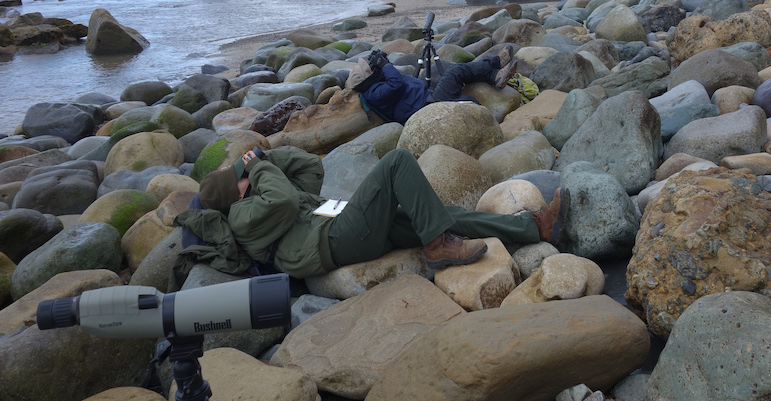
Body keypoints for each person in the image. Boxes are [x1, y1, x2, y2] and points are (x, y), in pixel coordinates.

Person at [192, 147, 568, 279]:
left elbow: (310, 168)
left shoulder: (261, 198)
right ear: (233, 195)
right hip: (336, 242)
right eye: (241, 179)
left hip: (341, 226)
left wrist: (266, 158)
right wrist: (256, 168)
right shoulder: (242, 219)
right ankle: (439, 247)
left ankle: (533, 227)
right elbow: (287, 202)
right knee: (397, 161)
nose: (249, 177)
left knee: (438, 212)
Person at [347, 44, 517, 124]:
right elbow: (397, 84)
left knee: (461, 82)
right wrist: (385, 65)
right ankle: (496, 63)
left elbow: (395, 80)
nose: (372, 69)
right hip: (428, 105)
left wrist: (382, 60)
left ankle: (494, 75)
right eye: (370, 70)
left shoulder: (375, 86)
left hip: (427, 98)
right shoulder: (374, 93)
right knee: (455, 72)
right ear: (367, 79)